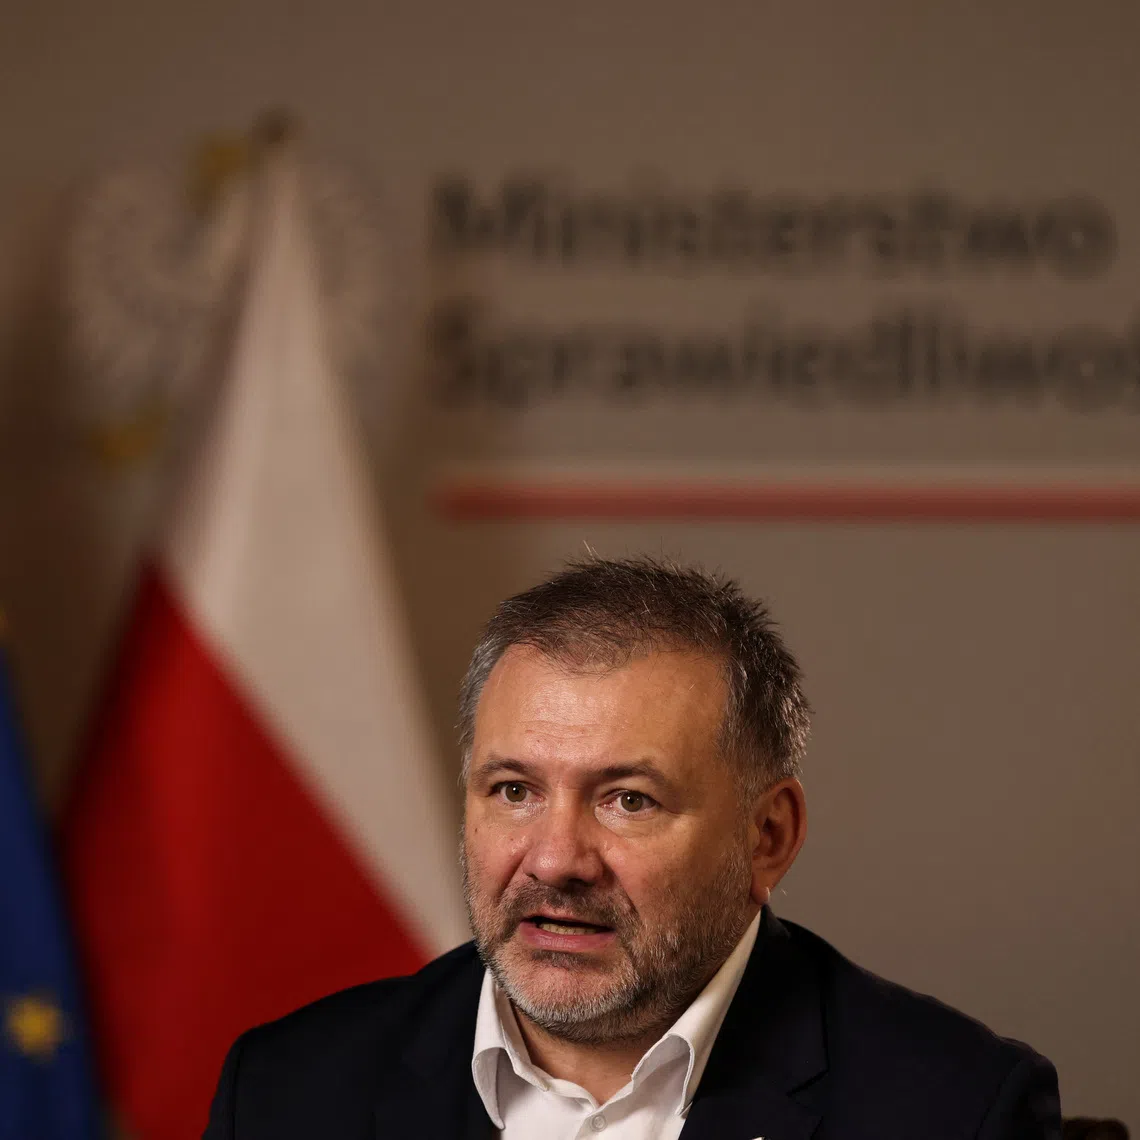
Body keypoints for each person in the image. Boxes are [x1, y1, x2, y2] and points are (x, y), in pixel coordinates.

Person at [203, 556, 1061, 1139]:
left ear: (769, 838)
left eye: (627, 800)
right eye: (514, 791)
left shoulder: (952, 1111)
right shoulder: (291, 1094)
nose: (555, 859)